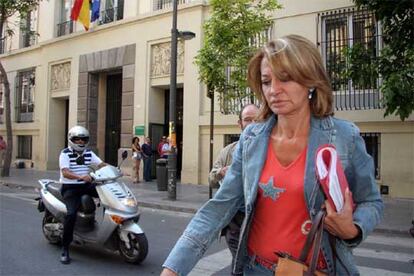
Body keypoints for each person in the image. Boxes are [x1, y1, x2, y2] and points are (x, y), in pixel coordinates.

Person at [161, 35, 383, 275]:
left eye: (285, 78)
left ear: (310, 80)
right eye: (267, 81)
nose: (274, 90)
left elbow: (371, 201)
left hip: (319, 270)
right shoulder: (251, 139)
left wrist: (352, 230)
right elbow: (217, 210)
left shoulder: (344, 137)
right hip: (255, 269)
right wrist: (173, 269)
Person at [208, 104, 259, 275]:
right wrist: (222, 171)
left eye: (256, 120)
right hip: (235, 220)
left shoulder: (271, 149)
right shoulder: (228, 152)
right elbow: (211, 178)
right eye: (247, 120)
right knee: (240, 262)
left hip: (260, 220)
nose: (252, 124)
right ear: (240, 123)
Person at [59, 126, 105, 264]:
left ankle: (105, 228)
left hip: (85, 185)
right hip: (70, 188)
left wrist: (114, 170)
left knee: (108, 197)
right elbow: (65, 172)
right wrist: (80, 176)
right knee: (71, 214)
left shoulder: (89, 153)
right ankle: (65, 248)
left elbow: (101, 164)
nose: (80, 142)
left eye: (83, 139)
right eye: (77, 139)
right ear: (71, 140)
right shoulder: (65, 153)